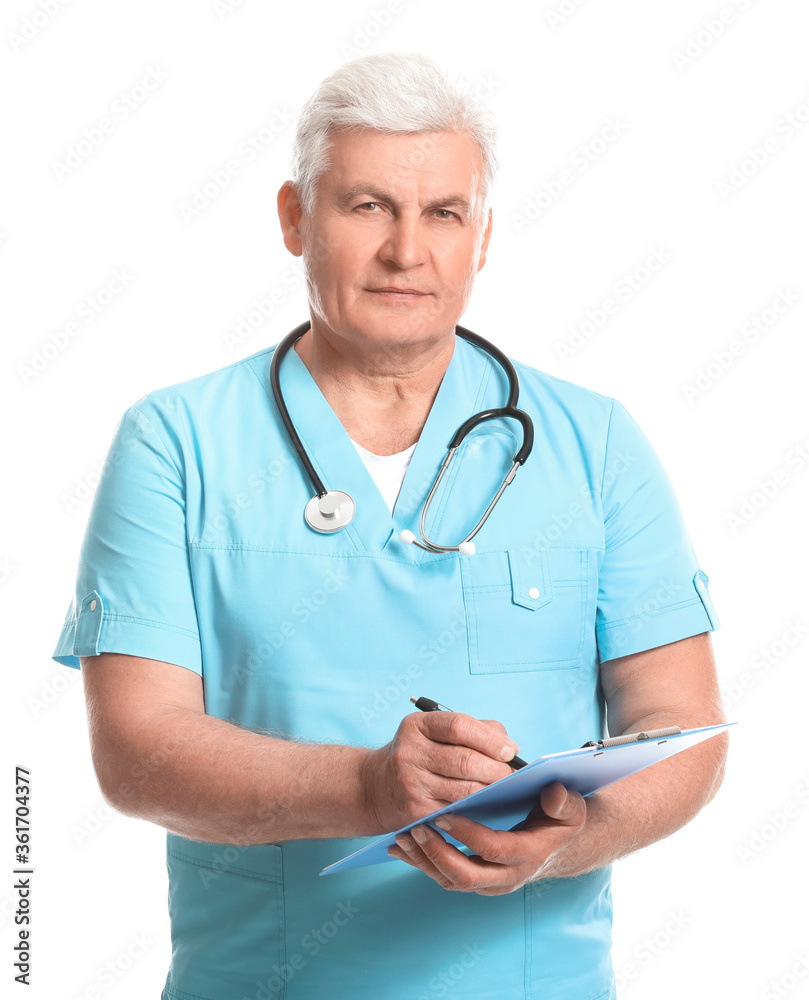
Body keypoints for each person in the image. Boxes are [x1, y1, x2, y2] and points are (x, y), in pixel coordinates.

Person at [52, 52, 728, 1000]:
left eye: (443, 213)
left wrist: (571, 838)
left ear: (481, 237)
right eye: (367, 206)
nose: (406, 251)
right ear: (295, 217)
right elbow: (136, 752)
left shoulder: (596, 444)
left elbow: (682, 727)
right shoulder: (177, 443)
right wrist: (367, 788)